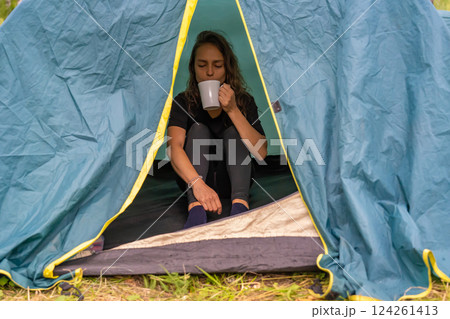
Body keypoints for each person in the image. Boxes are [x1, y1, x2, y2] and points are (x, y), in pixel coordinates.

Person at [167, 31, 267, 229]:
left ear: (227, 69)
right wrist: (198, 185)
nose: (210, 73)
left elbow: (262, 153)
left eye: (218, 66)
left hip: (234, 181)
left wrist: (233, 110)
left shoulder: (244, 101)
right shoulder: (183, 101)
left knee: (233, 133)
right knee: (198, 130)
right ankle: (195, 209)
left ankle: (240, 206)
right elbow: (173, 148)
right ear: (193, 69)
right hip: (194, 183)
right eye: (202, 65)